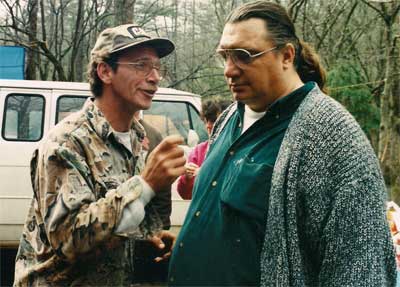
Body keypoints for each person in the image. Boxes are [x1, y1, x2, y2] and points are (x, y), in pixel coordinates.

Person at [168, 1, 396, 286]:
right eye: (224, 56)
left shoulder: (332, 135)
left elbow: (361, 269)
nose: (229, 70)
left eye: (243, 56)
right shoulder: (229, 117)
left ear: (287, 55)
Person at [14, 24, 186, 286]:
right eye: (141, 65)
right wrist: (146, 185)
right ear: (105, 71)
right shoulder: (67, 141)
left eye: (157, 67)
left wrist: (151, 237)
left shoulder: (139, 138)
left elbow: (112, 222)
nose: (154, 77)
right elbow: (69, 239)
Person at [177, 99, 231, 199]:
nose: (208, 125)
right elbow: (185, 195)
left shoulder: (238, 149)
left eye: (214, 121)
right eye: (206, 120)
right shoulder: (199, 151)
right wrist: (187, 178)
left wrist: (203, 173)